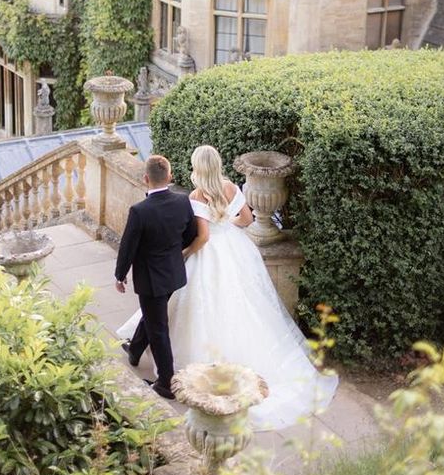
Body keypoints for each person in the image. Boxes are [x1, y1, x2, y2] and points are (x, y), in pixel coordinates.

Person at [118, 145, 338, 429]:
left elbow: (203, 237)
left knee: (182, 303)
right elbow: (246, 219)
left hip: (208, 254)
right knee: (240, 303)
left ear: (198, 167)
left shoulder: (198, 195)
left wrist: (186, 253)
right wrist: (226, 223)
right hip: (234, 249)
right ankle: (138, 346)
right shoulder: (231, 187)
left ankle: (163, 363)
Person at [114, 154, 197, 400]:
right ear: (169, 176)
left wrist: (120, 276)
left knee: (158, 327)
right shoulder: (183, 202)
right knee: (153, 316)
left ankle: (166, 383)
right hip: (173, 274)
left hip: (151, 279)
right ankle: (135, 349)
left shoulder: (140, 211)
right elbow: (190, 234)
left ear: (145, 179)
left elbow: (127, 247)